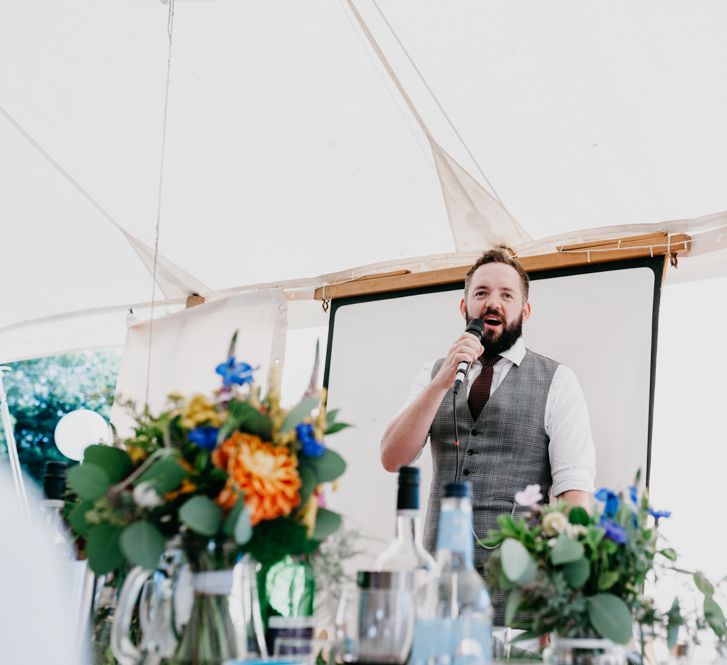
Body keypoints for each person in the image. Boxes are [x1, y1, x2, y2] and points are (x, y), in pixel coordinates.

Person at [380, 248, 596, 618]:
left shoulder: (558, 381)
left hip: (520, 597)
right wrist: (440, 383)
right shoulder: (434, 373)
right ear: (463, 306)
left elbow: (574, 493)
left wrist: (567, 597)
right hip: (437, 593)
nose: (492, 303)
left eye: (506, 295)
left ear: (524, 311)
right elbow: (392, 457)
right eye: (481, 293)